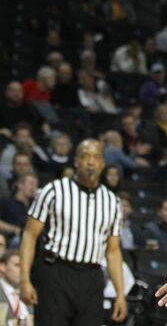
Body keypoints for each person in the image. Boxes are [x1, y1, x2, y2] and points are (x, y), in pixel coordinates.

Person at [19, 139, 126, 325]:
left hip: (92, 277)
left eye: (96, 157)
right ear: (76, 161)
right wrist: (24, 280)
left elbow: (113, 251)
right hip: (56, 272)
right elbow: (29, 236)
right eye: (85, 157)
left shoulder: (113, 202)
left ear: (102, 163)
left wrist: (120, 294)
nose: (91, 162)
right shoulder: (53, 191)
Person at [0, 250, 32, 323]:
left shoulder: (31, 293)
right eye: (17, 265)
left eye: (24, 266)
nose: (22, 270)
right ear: (2, 267)